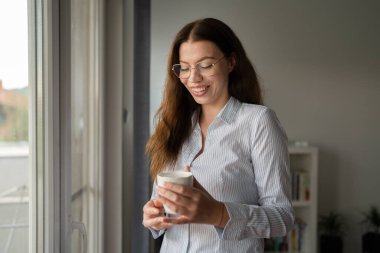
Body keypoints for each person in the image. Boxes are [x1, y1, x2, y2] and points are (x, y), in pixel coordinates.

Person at [143, 17, 294, 253]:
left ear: (231, 62)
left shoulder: (258, 122)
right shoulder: (174, 126)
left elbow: (282, 218)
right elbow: (161, 203)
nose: (193, 78)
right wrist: (153, 215)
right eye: (184, 67)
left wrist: (219, 213)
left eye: (206, 65)